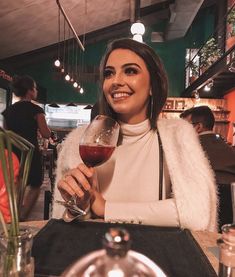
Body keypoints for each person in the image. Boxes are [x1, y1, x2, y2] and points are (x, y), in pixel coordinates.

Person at [52, 38, 217, 231]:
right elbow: (60, 222)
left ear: (152, 86)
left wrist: (106, 208)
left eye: (130, 71)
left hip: (154, 257)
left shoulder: (178, 135)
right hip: (99, 255)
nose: (116, 81)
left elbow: (197, 214)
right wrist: (76, 208)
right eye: (109, 73)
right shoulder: (78, 141)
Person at [2, 75, 51, 220]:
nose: (36, 91)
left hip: (12, 154)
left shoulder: (8, 111)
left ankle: (14, 216)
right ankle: (23, 217)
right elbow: (46, 133)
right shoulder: (36, 110)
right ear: (30, 91)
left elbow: (6, 134)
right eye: (35, 88)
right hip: (30, 152)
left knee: (17, 184)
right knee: (35, 184)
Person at [180, 105, 235, 227]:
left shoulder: (189, 149)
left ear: (198, 127)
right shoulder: (228, 147)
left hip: (202, 215)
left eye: (183, 127)